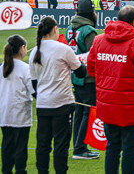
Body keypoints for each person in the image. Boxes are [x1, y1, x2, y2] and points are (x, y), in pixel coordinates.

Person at [88, 5, 134, 174]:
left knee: (112, 147)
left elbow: (91, 69)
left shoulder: (99, 40)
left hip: (108, 105)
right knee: (130, 150)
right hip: (131, 108)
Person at [30, 16, 85, 174]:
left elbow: (33, 83)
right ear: (55, 29)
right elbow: (81, 72)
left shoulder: (35, 51)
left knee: (43, 144)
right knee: (61, 145)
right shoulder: (63, 49)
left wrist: (42, 97)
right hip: (62, 104)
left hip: (43, 105)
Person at [67, 0, 100, 161]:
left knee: (79, 112)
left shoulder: (69, 29)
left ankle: (78, 146)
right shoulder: (89, 31)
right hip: (87, 77)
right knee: (87, 112)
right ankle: (81, 148)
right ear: (90, 12)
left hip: (75, 75)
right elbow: (94, 56)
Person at [1, 35, 31, 174]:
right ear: (22, 48)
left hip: (5, 114)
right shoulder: (25, 68)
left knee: (7, 145)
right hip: (20, 116)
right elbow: (33, 90)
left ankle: (6, 171)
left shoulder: (2, 67)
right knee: (20, 148)